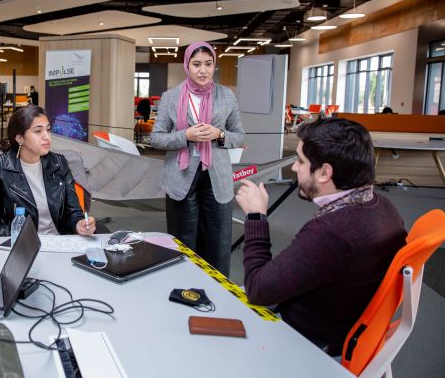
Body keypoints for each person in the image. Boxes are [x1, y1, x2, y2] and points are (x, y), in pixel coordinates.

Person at [235, 118, 407, 356]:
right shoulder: (384, 207)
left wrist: (255, 217)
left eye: (300, 161)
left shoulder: (333, 233)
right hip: (347, 326)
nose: (294, 168)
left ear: (325, 173)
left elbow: (257, 290)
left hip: (307, 339)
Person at [150, 41, 244, 276]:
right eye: (196, 64)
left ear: (214, 66)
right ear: (187, 66)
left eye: (208, 64)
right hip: (181, 177)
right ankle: (183, 289)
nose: (203, 70)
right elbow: (156, 139)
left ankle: (219, 295)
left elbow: (239, 135)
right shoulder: (171, 97)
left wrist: (219, 134)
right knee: (183, 243)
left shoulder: (226, 96)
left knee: (218, 243)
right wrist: (186, 136)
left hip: (217, 177)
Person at [0, 104, 96, 237]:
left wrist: (79, 224)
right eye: (38, 131)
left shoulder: (59, 163)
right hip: (21, 244)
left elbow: (73, 212)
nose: (46, 136)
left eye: (48, 130)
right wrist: (18, 236)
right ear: (20, 138)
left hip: (58, 241)